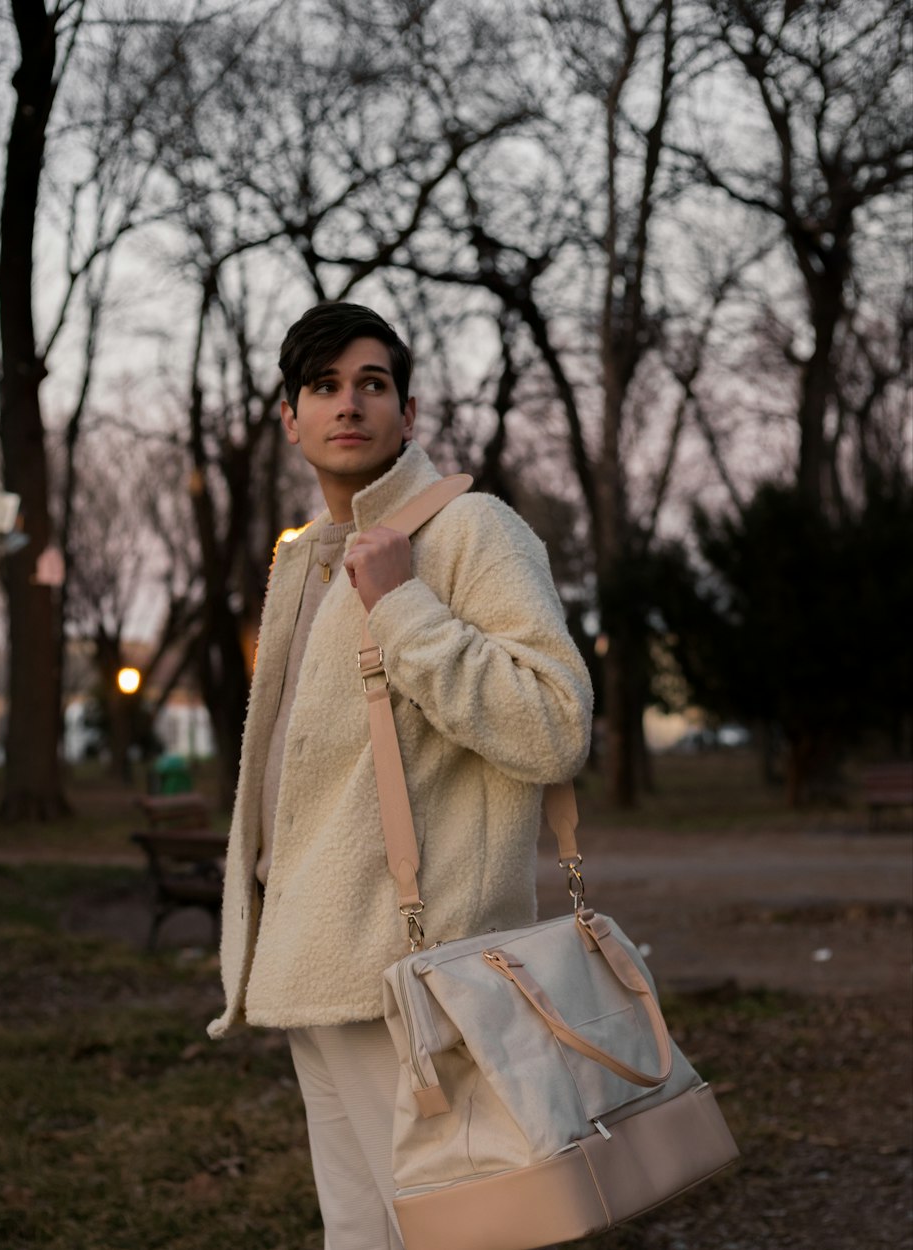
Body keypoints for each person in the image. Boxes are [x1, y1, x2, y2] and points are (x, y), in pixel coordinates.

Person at [208, 302, 593, 1249]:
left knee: (453, 1234)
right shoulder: (302, 561)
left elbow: (555, 726)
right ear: (291, 420)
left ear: (409, 412)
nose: (350, 404)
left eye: (372, 384)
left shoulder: (471, 531)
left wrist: (406, 607)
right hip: (308, 960)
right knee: (359, 1231)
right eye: (325, 387)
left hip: (415, 970)